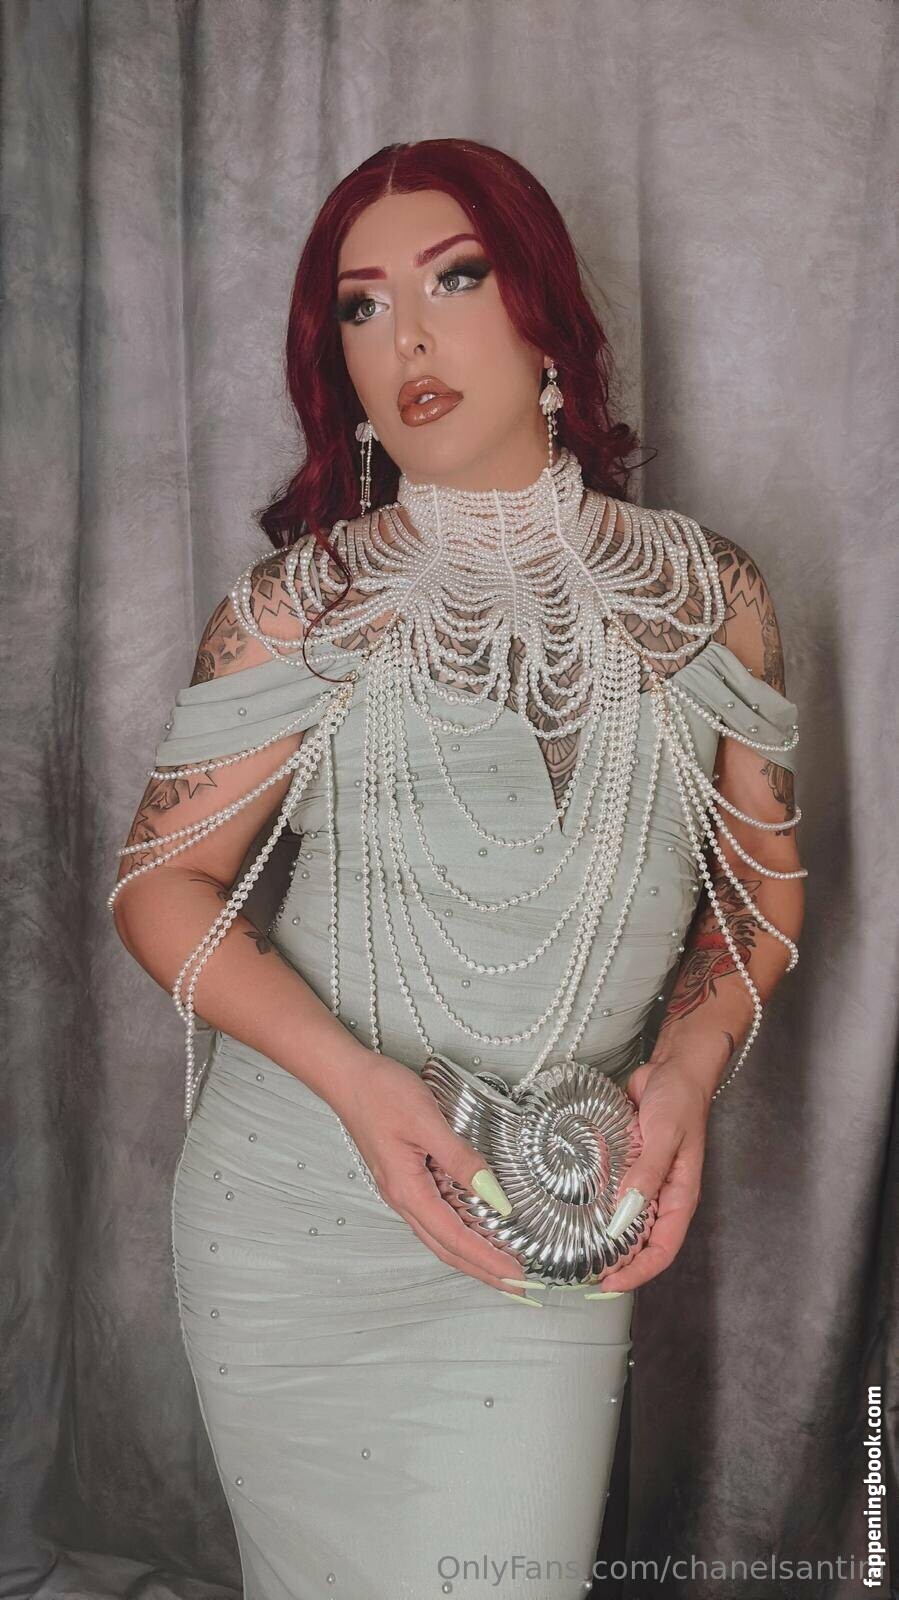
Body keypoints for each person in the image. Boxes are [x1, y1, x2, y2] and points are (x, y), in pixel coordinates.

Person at [109, 140, 806, 1600]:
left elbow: (759, 894)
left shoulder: (710, 594)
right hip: (293, 1217)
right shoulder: (301, 610)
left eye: (457, 280)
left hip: (549, 1209)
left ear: (546, 317)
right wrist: (358, 1087)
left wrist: (685, 1075)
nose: (408, 339)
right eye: (362, 308)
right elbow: (158, 886)